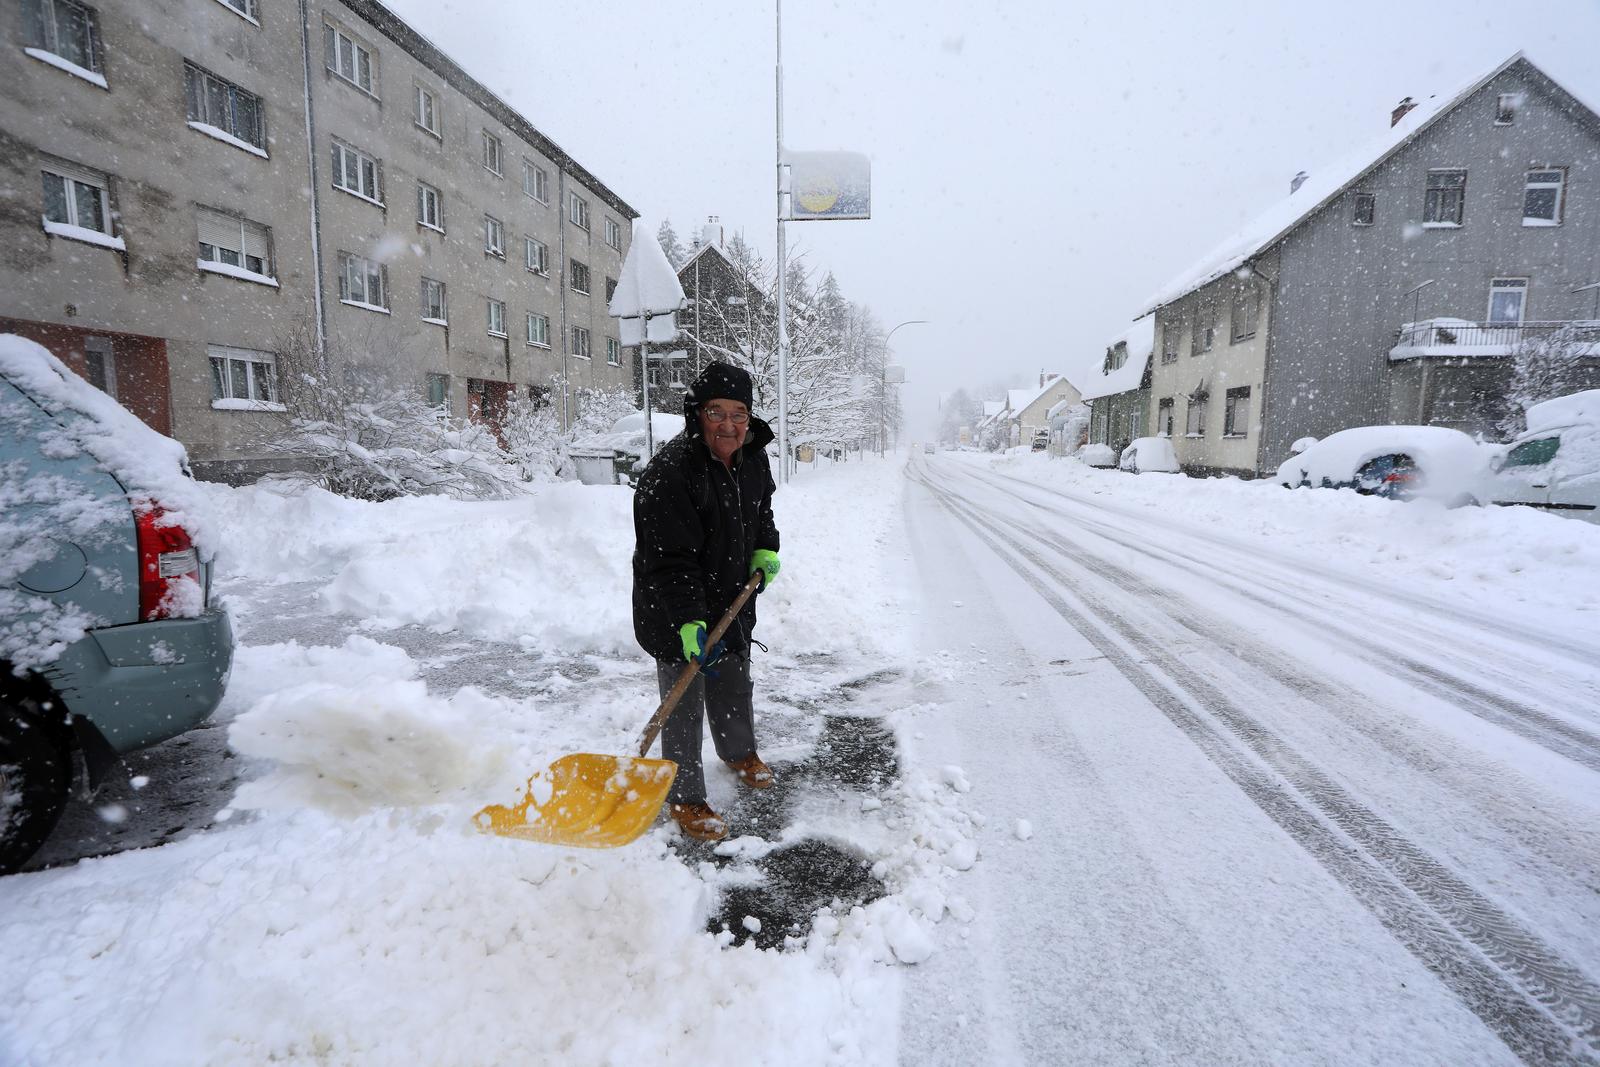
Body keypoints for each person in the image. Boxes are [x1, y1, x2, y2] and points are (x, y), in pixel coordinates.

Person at [632, 362, 782, 842]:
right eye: (716, 411)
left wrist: (766, 548)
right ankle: (684, 795)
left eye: (739, 413)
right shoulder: (669, 473)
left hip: (733, 598)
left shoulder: (753, 456)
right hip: (674, 607)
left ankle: (738, 752)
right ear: (697, 414)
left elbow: (762, 512)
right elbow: (671, 562)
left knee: (733, 681)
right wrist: (689, 622)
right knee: (683, 702)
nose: (729, 424)